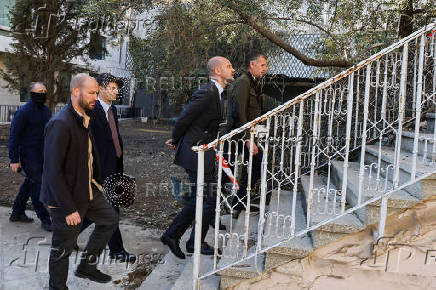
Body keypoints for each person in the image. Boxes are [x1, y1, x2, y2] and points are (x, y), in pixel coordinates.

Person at [40, 73, 119, 289]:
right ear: (76, 92)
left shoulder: (84, 116)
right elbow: (52, 172)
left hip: (87, 190)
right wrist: (68, 209)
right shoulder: (60, 124)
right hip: (64, 198)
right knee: (62, 248)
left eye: (97, 92)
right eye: (92, 92)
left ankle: (86, 266)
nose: (97, 96)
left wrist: (97, 182)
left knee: (110, 220)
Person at [161, 56, 235, 259]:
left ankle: (192, 241)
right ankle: (175, 236)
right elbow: (185, 117)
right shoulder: (207, 92)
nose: (233, 69)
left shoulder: (218, 93)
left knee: (206, 199)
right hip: (195, 152)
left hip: (205, 152)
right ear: (218, 71)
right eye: (229, 66)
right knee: (205, 199)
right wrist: (176, 140)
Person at [78, 73, 136, 263]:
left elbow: (113, 138)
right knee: (111, 211)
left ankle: (67, 235)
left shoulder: (113, 110)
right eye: (112, 87)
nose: (116, 91)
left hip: (114, 167)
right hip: (98, 170)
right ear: (100, 89)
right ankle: (116, 250)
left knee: (95, 209)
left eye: (117, 88)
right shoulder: (91, 111)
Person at [8, 82, 52, 231]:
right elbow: (14, 136)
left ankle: (17, 212)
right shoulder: (23, 112)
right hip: (28, 156)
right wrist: (14, 159)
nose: (43, 93)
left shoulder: (46, 111)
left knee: (30, 183)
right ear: (32, 93)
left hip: (43, 155)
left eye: (44, 91)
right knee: (37, 186)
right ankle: (45, 218)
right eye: (40, 91)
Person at [229, 51, 268, 213]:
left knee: (256, 164)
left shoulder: (253, 82)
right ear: (252, 64)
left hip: (247, 134)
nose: (265, 69)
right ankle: (234, 202)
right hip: (238, 136)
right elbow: (239, 112)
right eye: (262, 65)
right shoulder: (243, 82)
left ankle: (239, 201)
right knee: (230, 170)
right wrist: (247, 138)